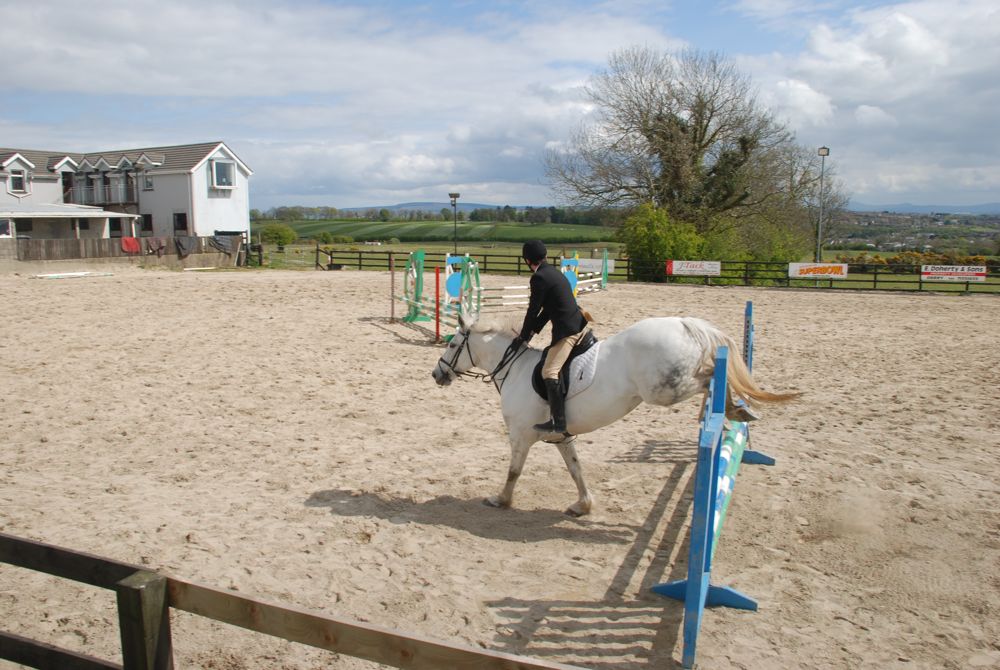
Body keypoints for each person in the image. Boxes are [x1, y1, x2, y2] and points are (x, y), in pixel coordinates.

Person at [515, 240, 591, 436]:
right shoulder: (554, 273)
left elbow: (532, 311)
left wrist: (522, 337)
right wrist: (531, 333)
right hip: (578, 322)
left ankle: (558, 422)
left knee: (549, 371)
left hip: (569, 331)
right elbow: (548, 310)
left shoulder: (538, 278)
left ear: (527, 260)